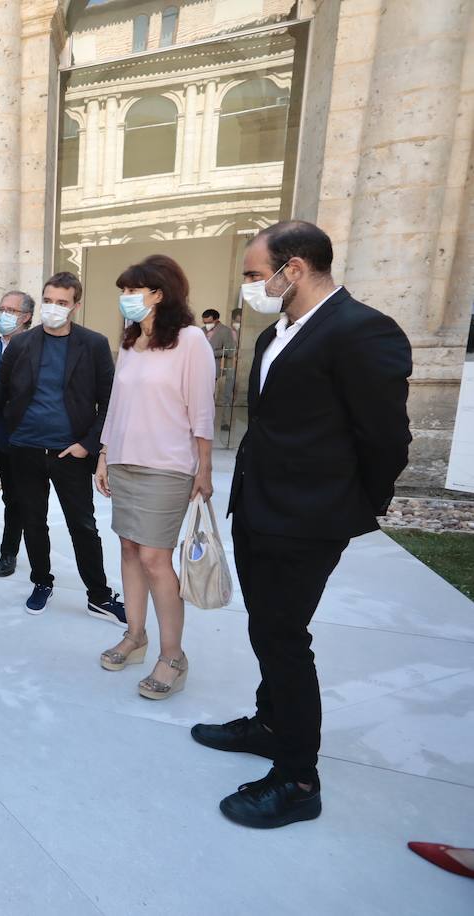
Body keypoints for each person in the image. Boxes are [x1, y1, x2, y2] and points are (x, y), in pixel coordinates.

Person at [191, 220, 412, 828]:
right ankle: (270, 723)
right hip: (259, 507)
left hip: (309, 517)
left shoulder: (363, 329)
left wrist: (353, 503)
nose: (248, 287)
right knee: (266, 628)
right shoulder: (275, 335)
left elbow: (386, 436)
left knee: (285, 637)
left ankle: (297, 777)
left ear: (294, 270)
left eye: (255, 274)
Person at [94, 255, 215, 700]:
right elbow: (116, 404)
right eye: (122, 291)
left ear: (158, 293)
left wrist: (204, 468)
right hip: (125, 460)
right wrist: (104, 455)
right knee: (128, 547)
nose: (125, 299)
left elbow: (202, 409)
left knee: (155, 560)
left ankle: (173, 656)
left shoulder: (191, 341)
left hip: (167, 466)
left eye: (133, 290)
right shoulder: (129, 342)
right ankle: (135, 634)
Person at [0, 272, 126, 622]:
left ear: (75, 306)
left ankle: (98, 594)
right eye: (48, 300)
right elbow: (0, 391)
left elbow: (109, 401)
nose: (53, 308)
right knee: (34, 522)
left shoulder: (93, 344)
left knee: (83, 525)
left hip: (71, 454)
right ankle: (41, 581)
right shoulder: (22, 343)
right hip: (26, 451)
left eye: (62, 303)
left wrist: (88, 445)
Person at [0, 291, 35, 578]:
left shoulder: (34, 349)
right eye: (1, 308)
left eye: (11, 310)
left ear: (25, 317)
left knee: (14, 498)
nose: (4, 314)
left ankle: (8, 553)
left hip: (16, 437)